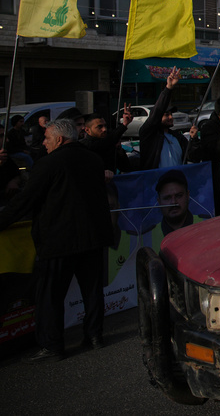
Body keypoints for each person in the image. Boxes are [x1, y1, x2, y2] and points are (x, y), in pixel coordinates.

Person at [0, 118, 113, 363]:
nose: (44, 143)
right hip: (92, 238)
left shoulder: (48, 163)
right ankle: (94, 336)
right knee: (92, 292)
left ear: (59, 139)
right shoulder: (93, 160)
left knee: (50, 296)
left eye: (47, 138)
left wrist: (2, 220)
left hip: (59, 241)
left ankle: (53, 346)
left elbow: (25, 200)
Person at [139, 67, 198, 171]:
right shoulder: (149, 135)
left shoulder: (177, 137)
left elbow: (193, 157)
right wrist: (168, 88)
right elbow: (157, 111)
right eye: (166, 115)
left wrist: (194, 140)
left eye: (171, 114)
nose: (170, 117)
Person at [151, 169, 203, 250]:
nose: (173, 202)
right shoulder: (148, 237)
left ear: (188, 195)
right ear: (159, 201)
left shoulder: (206, 226)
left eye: (179, 196)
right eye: (167, 198)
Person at [81, 106, 133, 176]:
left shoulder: (109, 144)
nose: (104, 129)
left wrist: (119, 151)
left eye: (105, 126)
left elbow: (125, 167)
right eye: (99, 127)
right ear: (87, 130)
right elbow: (107, 141)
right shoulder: (85, 146)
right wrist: (124, 125)